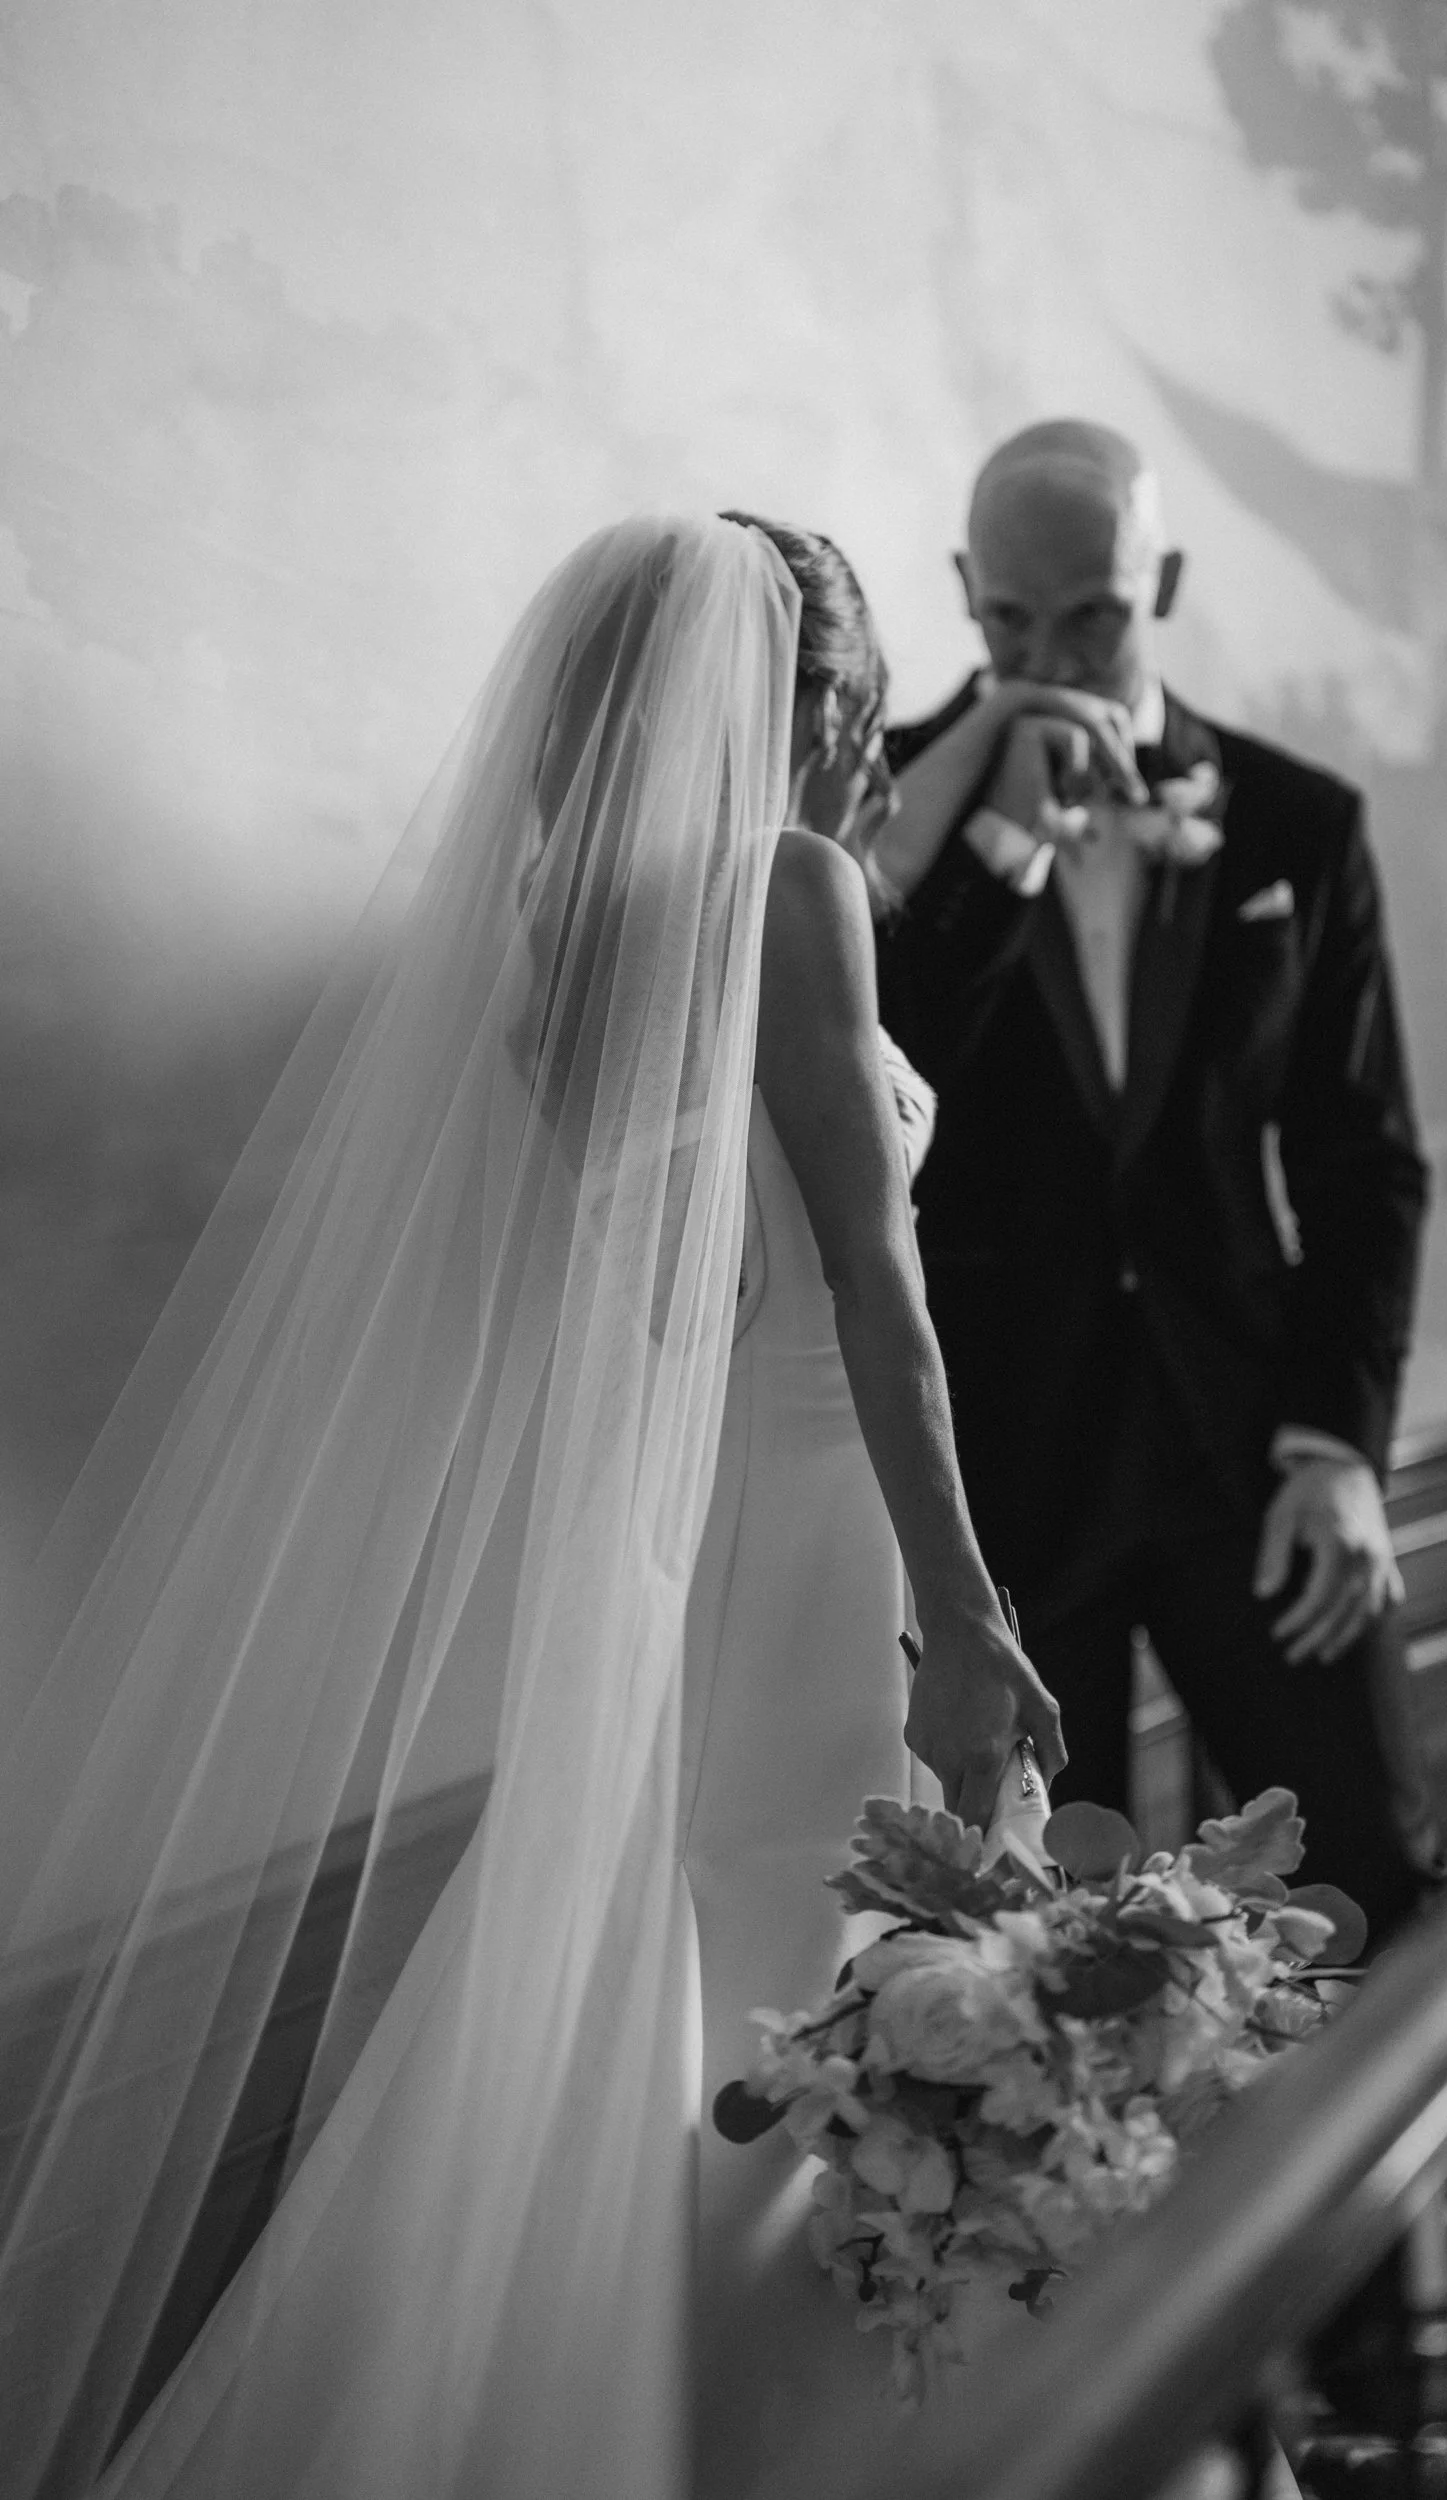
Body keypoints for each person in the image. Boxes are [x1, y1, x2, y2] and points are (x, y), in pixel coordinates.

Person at [0, 513, 1061, 2500]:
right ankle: (792, 2443)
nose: (863, 751)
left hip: (671, 1567)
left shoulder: (575, 937)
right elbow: (873, 1292)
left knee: (725, 2005)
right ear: (810, 700)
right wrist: (970, 1600)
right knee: (817, 1984)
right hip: (827, 1547)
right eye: (859, 697)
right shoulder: (791, 885)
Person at [872, 418, 1447, 1942]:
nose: (1048, 650)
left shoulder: (1294, 824)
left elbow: (1360, 1155)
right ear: (963, 591)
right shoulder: (881, 814)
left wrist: (1336, 1442)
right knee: (1024, 1955)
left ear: (1162, 580)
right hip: (1003, 1472)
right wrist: (993, 838)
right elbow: (874, 1098)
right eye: (1008, 617)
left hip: (1251, 1454)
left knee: (1362, 1885)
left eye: (1092, 611)